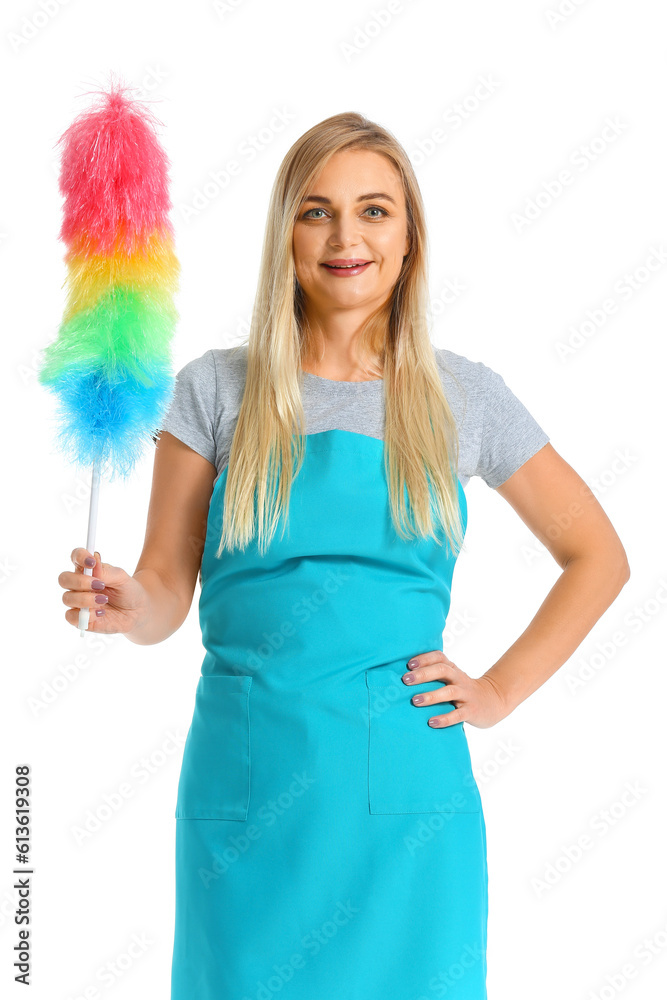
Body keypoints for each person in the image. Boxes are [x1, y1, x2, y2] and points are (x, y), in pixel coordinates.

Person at [58, 112, 630, 1000]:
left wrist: (500, 689)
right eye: (316, 211)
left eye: (373, 210)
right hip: (249, 798)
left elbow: (596, 554)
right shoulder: (212, 388)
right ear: (285, 232)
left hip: (406, 802)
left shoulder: (461, 397)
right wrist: (131, 603)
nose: (344, 237)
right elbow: (167, 586)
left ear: (408, 239)